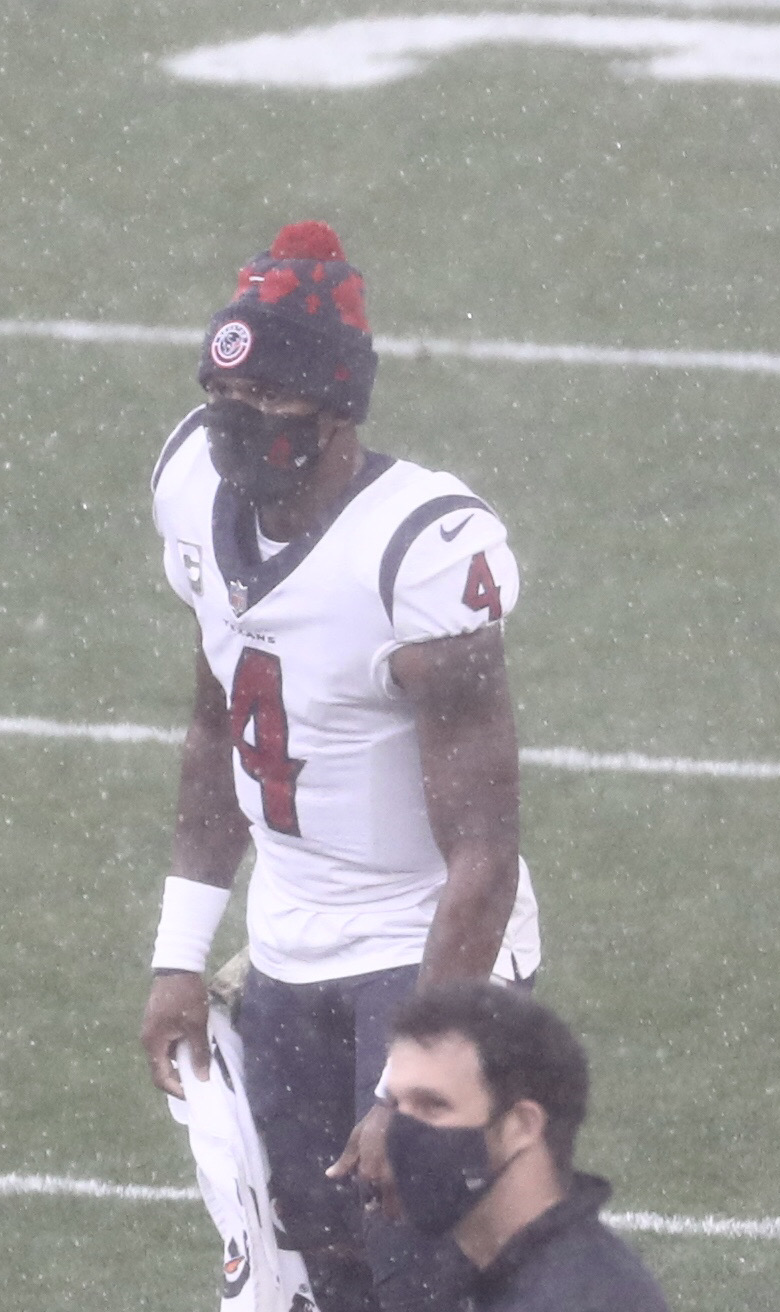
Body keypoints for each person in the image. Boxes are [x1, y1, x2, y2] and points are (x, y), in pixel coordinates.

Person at [138, 219, 543, 1312]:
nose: (240, 439)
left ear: (337, 414)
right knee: (317, 1268)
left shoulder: (421, 553)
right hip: (288, 947)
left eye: (273, 414)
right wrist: (181, 952)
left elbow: (484, 854)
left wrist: (410, 1082)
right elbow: (220, 727)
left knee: (428, 1274)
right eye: (227, 408)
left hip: (427, 940)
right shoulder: (194, 489)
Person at [383, 981, 668, 1311]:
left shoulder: (581, 1299)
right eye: (395, 1106)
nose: (403, 1131)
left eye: (432, 1105)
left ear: (522, 1125)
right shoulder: (478, 1270)